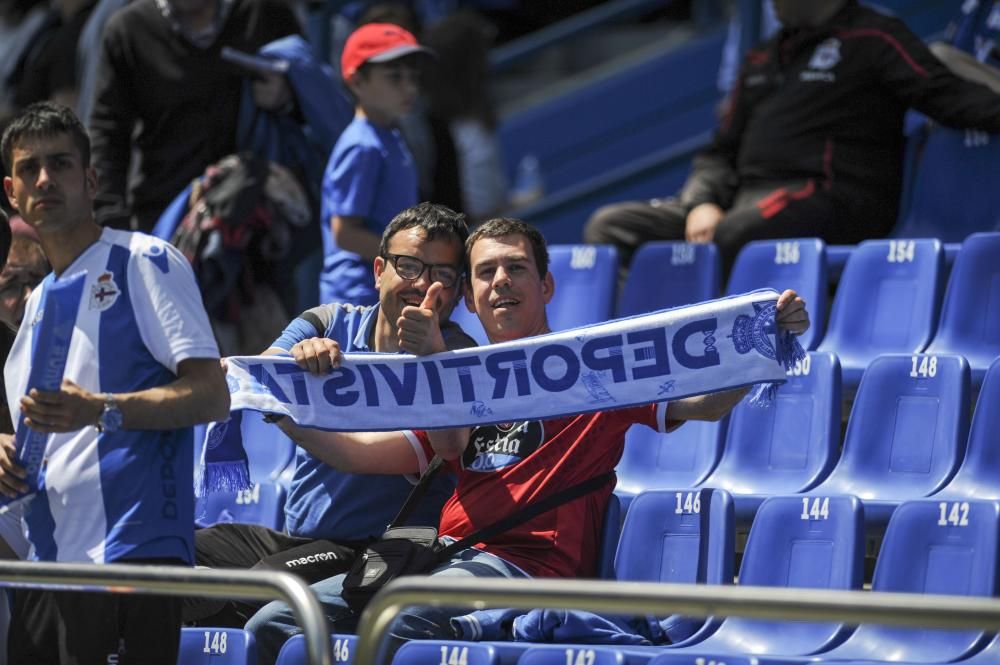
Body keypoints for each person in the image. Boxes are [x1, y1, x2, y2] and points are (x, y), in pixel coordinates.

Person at [244, 216, 810, 663]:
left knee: (400, 620)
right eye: (486, 273)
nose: (501, 283)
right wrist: (283, 415)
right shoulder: (458, 373)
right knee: (277, 622)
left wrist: (762, 344)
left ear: (545, 285)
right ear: (470, 298)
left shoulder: (595, 368)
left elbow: (703, 405)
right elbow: (362, 454)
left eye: (515, 269)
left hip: (529, 569)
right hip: (443, 563)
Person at [0, 102, 229, 665]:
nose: (45, 179)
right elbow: (40, 442)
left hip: (131, 556)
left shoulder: (143, 261)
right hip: (49, 568)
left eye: (60, 164)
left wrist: (102, 409)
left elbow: (211, 394)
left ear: (92, 180)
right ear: (12, 191)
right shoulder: (32, 311)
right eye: (30, 169)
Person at [191, 201, 476, 626]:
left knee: (249, 595)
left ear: (457, 290)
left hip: (371, 550)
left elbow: (359, 453)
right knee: (167, 555)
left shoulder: (459, 357)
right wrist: (295, 364)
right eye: (409, 266)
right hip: (297, 536)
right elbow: (261, 374)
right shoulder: (329, 321)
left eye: (442, 275)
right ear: (379, 270)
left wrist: (430, 357)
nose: (423, 285)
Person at [584, 0, 1000, 276]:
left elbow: (951, 97)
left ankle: (722, 359)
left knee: (736, 236)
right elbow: (719, 152)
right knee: (612, 227)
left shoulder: (876, 38)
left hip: (833, 196)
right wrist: (702, 202)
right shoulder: (762, 57)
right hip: (740, 201)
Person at [86, 0, 301, 232]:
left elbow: (318, 109)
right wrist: (111, 221)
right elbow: (107, 135)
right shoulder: (128, 30)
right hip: (164, 220)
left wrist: (287, 96)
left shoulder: (264, 14)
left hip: (256, 219)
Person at [319, 22, 433, 307]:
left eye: (413, 77)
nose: (409, 88)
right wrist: (414, 259)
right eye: (395, 78)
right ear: (356, 81)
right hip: (357, 300)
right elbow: (345, 234)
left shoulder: (390, 136)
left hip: (385, 290)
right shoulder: (362, 145)